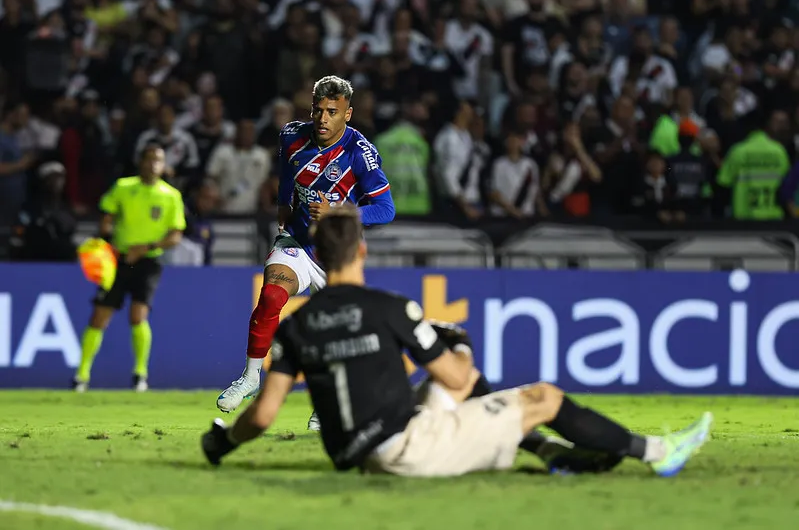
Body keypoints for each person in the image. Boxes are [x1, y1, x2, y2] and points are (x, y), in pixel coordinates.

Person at [202, 206, 713, 477]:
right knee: (544, 397)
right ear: (361, 248)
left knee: (450, 393)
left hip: (357, 451)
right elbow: (458, 378)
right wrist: (454, 343)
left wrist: (222, 442)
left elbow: (265, 414)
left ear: (318, 253)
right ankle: (658, 451)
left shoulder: (296, 324)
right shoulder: (391, 308)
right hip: (406, 450)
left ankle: (550, 455)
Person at [215, 76, 396, 428]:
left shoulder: (360, 154)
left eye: (332, 112)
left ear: (348, 114)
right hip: (297, 241)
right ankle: (251, 378)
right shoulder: (291, 136)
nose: (323, 119)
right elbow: (287, 173)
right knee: (270, 296)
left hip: (336, 254)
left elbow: (386, 209)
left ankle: (326, 403)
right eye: (318, 110)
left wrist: (339, 213)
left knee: (336, 331)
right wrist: (284, 206)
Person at [73, 143, 186, 392]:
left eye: (158, 160)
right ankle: (81, 375)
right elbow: (106, 215)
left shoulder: (170, 195)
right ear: (140, 162)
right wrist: (106, 235)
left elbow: (176, 235)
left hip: (149, 261)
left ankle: (140, 374)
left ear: (164, 165)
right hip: (118, 259)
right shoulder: (123, 187)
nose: (152, 164)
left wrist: (145, 248)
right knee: (99, 316)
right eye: (148, 159)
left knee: (138, 314)